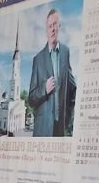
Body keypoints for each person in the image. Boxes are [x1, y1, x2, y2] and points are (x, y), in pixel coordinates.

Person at [28, 8, 77, 137]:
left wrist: (67, 117)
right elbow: (31, 99)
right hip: (43, 130)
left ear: (59, 26)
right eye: (49, 26)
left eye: (55, 24)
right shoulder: (38, 59)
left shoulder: (65, 52)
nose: (52, 29)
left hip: (59, 129)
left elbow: (73, 89)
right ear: (46, 30)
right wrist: (44, 89)